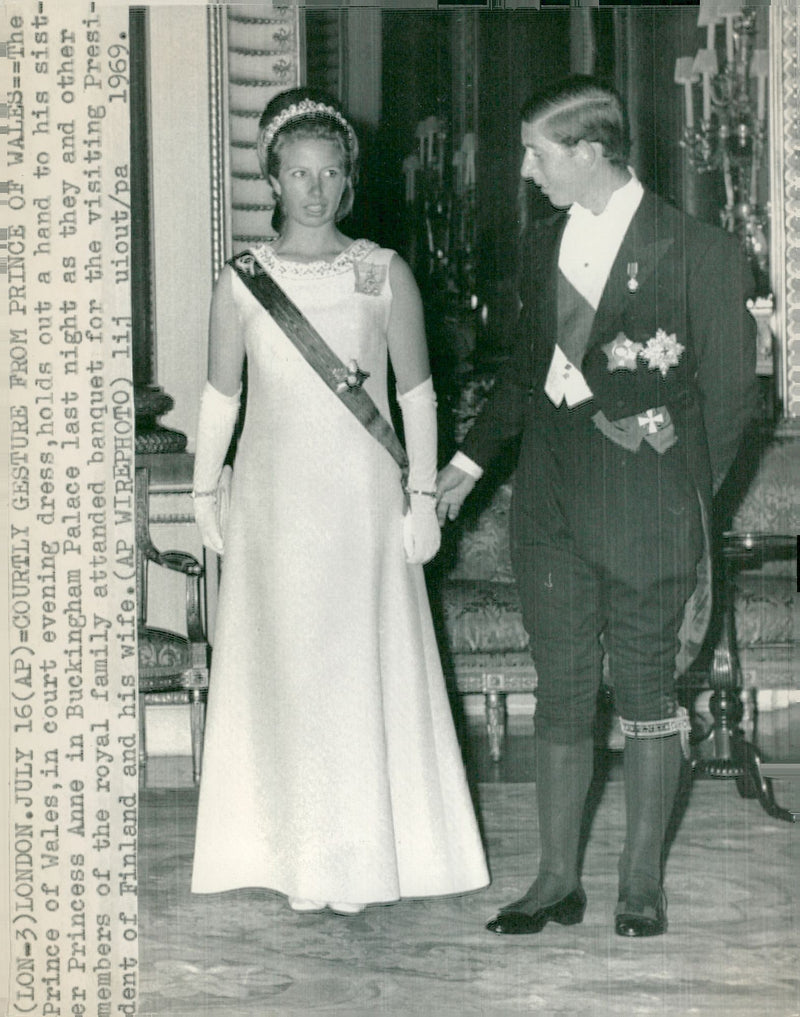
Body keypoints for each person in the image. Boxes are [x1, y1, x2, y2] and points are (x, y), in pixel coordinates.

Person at [437, 75, 757, 937]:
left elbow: (731, 401)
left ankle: (641, 881)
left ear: (587, 152)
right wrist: (467, 463)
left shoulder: (699, 250)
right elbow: (523, 372)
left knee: (649, 690)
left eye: (538, 154)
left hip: (647, 504)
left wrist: (681, 495)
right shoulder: (541, 245)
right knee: (564, 690)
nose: (527, 171)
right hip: (546, 504)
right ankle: (553, 880)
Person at [190, 88, 488, 914]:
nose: (313, 189)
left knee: (355, 671)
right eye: (297, 172)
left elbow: (419, 396)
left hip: (360, 504)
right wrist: (203, 489)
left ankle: (357, 860)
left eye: (328, 173)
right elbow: (220, 396)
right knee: (289, 673)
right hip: (275, 505)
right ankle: (290, 854)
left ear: (347, 181)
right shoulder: (244, 280)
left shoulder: (380, 269)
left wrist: (423, 496)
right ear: (273, 180)